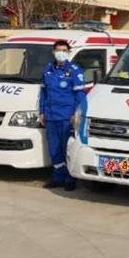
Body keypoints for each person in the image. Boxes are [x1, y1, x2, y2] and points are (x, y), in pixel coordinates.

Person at [39, 40, 86, 191]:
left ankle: (70, 179)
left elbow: (80, 95)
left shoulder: (74, 70)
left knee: (67, 149)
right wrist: (42, 112)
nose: (61, 53)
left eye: (64, 50)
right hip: (51, 116)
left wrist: (76, 113)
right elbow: (43, 93)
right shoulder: (48, 70)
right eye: (58, 50)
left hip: (67, 117)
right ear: (53, 52)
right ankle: (58, 177)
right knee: (54, 150)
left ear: (68, 52)